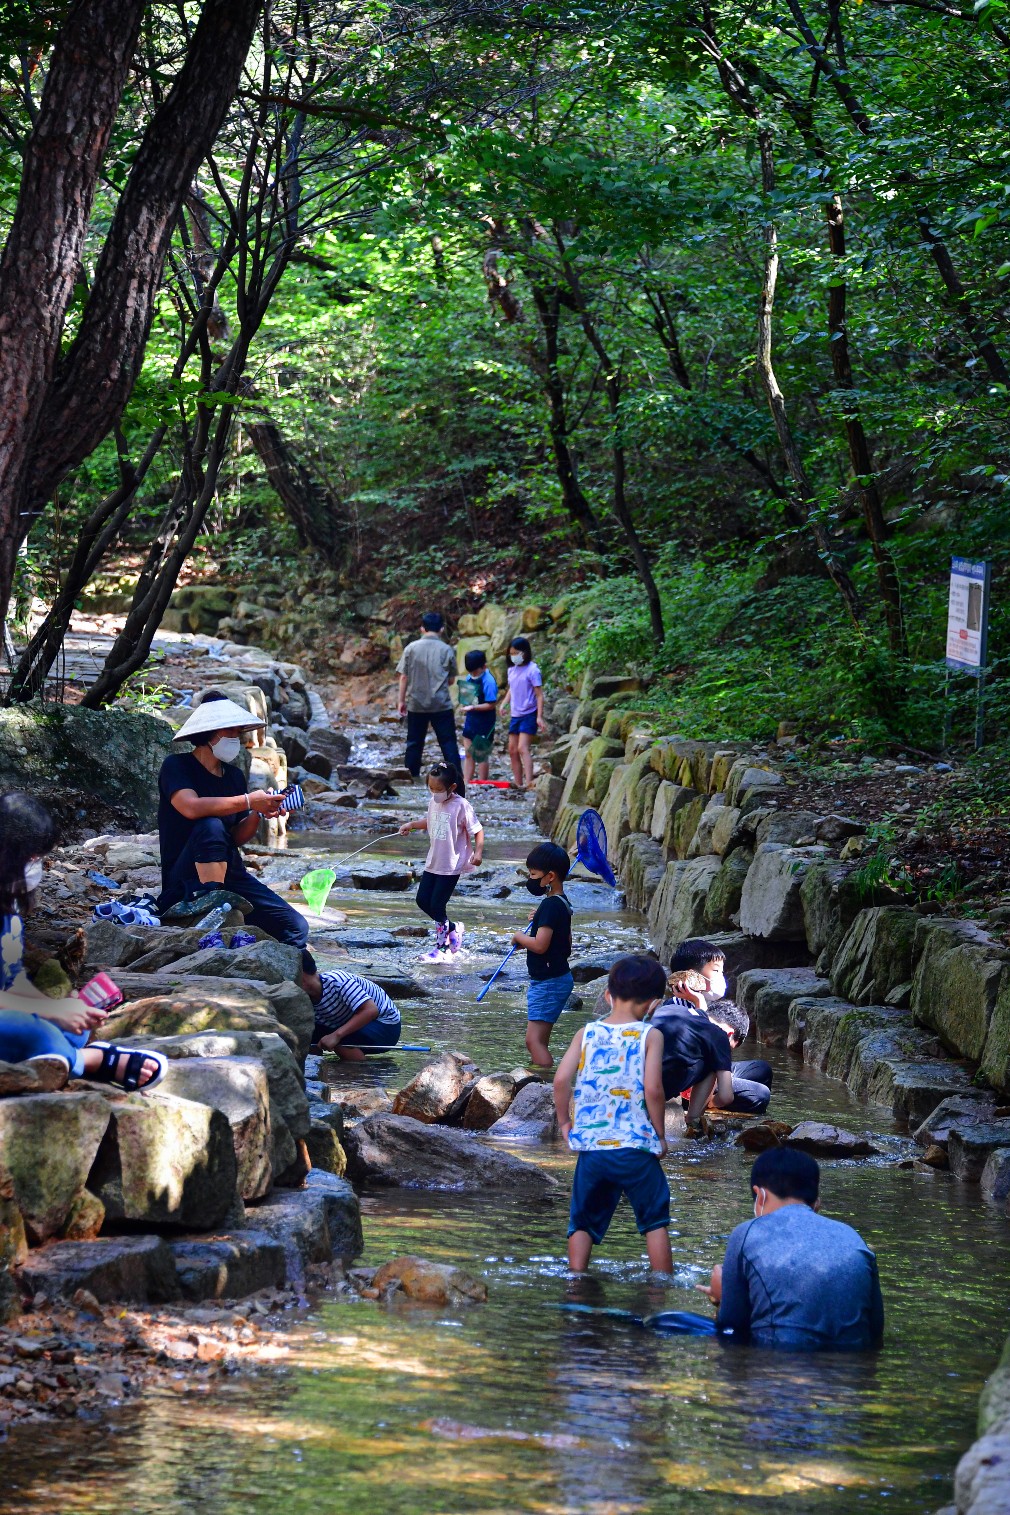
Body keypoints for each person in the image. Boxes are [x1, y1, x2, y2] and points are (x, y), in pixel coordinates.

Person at [156, 693, 324, 1003]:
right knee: (208, 823)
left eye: (238, 731)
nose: (237, 739)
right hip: (186, 874)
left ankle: (293, 995)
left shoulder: (232, 775)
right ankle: (210, 906)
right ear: (210, 734)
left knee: (294, 926)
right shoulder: (176, 766)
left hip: (230, 871)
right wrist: (249, 800)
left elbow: (234, 837)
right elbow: (191, 807)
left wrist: (261, 811)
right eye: (231, 732)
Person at [0, 792, 165, 1091]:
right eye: (31, 858)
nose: (35, 866)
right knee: (36, 1033)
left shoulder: (8, 909)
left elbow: (11, 982)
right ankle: (92, 1061)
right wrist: (48, 1013)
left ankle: (61, 1058)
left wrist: (58, 1006)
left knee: (70, 1030)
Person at [696, 1148, 885, 1351]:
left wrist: (722, 1297)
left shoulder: (745, 1234)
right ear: (816, 1203)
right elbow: (876, 1330)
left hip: (777, 1367)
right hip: (850, 1374)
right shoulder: (853, 1238)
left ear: (760, 1196)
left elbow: (732, 1326)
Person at [554, 955, 672, 1274]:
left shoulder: (586, 1033)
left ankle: (576, 1278)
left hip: (593, 1150)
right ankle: (662, 1286)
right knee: (654, 1219)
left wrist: (565, 1122)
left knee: (582, 1219)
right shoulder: (651, 1035)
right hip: (635, 1148)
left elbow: (561, 1080)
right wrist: (659, 1135)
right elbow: (653, 1089)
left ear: (607, 994)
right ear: (653, 1004)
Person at [667, 938, 771, 1114]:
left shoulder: (698, 1003)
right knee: (760, 1095)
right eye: (716, 971)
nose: (721, 978)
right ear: (691, 976)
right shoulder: (677, 1010)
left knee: (761, 1069)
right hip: (690, 1084)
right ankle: (709, 1107)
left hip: (708, 1073)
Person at [399, 762, 483, 960]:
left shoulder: (461, 805)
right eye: (431, 788)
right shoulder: (433, 802)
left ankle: (442, 948)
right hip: (434, 861)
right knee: (422, 900)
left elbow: (478, 830)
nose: (434, 793)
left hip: (451, 864)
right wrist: (411, 825)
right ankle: (453, 928)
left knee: (437, 905)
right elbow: (430, 821)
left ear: (452, 787)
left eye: (438, 789)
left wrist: (478, 853)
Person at [512, 841, 573, 1068]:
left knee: (533, 1041)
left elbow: (539, 946)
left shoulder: (550, 907)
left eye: (533, 874)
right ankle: (539, 1081)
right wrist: (539, 920)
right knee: (541, 1041)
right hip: (557, 978)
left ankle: (544, 1084)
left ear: (550, 876)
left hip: (548, 981)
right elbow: (565, 941)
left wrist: (520, 937)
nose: (531, 878)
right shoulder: (560, 903)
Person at [396, 611, 465, 792]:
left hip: (416, 703)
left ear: (422, 628)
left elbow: (404, 677)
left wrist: (401, 700)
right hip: (441, 704)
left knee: (414, 742)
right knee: (448, 742)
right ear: (442, 629)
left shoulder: (411, 648)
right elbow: (451, 680)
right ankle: (457, 780)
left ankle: (410, 778)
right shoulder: (447, 649)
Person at [312, 969, 402, 1060]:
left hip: (385, 1023)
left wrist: (336, 1035)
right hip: (341, 1022)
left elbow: (371, 1010)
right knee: (307, 1037)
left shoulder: (338, 981)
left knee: (343, 1043)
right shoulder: (302, 997)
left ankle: (359, 1071)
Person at [499, 636, 544, 789]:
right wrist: (504, 704)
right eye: (511, 653)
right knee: (512, 750)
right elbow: (511, 689)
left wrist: (539, 717)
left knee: (522, 748)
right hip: (515, 714)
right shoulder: (512, 670)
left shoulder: (533, 670)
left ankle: (529, 782)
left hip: (529, 713)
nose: (514, 656)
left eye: (516, 653)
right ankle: (518, 783)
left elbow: (539, 694)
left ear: (525, 653)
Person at [459, 647, 498, 784]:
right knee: (469, 752)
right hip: (471, 718)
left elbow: (491, 704)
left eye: (475, 671)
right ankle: (466, 781)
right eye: (471, 671)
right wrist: (464, 704)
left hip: (485, 720)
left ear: (483, 667)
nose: (473, 674)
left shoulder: (488, 681)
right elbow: (467, 695)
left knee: (481, 754)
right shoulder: (470, 677)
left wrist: (474, 707)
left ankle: (482, 782)